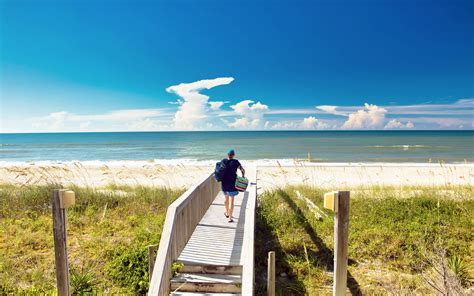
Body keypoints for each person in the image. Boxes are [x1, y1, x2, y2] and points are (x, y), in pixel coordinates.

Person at [221, 149, 245, 223]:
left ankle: (227, 213)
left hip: (224, 182)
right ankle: (230, 218)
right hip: (232, 183)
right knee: (231, 200)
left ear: (227, 154)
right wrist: (243, 177)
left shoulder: (223, 161)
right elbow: (242, 170)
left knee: (226, 198)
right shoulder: (236, 162)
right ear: (233, 155)